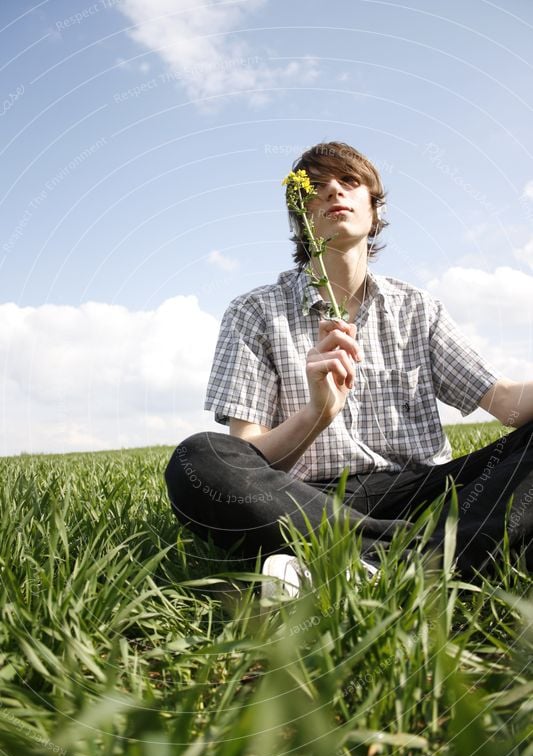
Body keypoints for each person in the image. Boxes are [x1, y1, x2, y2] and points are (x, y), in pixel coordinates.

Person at [165, 141, 533, 594]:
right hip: (307, 501)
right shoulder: (255, 311)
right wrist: (316, 415)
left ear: (373, 211)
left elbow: (508, 404)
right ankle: (442, 557)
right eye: (315, 187)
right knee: (198, 460)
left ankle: (347, 564)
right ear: (301, 217)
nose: (333, 192)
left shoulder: (418, 307)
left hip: (429, 492)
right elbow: (250, 455)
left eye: (349, 182)